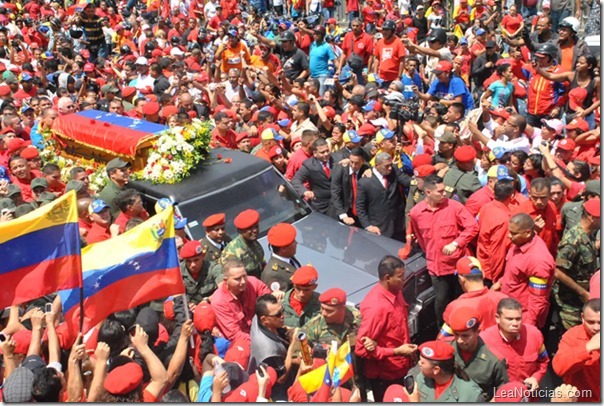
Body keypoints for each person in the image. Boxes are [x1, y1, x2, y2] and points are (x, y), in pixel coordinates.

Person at [409, 174, 478, 328]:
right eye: (440, 191)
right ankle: (444, 332)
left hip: (458, 266)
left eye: (444, 190)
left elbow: (472, 226)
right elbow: (421, 239)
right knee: (441, 303)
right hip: (437, 268)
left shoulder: (454, 207)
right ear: (428, 192)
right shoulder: (416, 213)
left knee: (461, 300)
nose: (444, 194)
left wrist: (456, 243)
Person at [355, 256, 417, 402]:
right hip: (385, 376)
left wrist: (408, 354)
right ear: (387, 278)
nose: (404, 279)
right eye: (400, 277)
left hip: (400, 368)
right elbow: (361, 349)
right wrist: (396, 351)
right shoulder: (376, 308)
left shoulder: (396, 291)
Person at [493, 213, 555, 328]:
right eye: (509, 231)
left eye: (513, 233)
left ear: (527, 233)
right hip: (507, 307)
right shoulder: (519, 243)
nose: (509, 236)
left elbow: (538, 298)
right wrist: (500, 283)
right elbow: (513, 271)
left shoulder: (538, 260)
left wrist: (528, 325)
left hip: (521, 317)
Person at [480, 298, 549, 389]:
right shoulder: (484, 340)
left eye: (518, 319)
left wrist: (535, 378)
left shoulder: (534, 335)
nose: (515, 323)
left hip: (528, 395)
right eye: (509, 319)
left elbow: (543, 361)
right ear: (497, 318)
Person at [554, 198, 600, 331]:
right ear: (591, 218)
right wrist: (583, 293)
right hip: (569, 302)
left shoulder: (588, 235)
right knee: (572, 335)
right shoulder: (573, 240)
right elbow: (558, 271)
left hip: (580, 299)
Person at [447, 307, 509, 400]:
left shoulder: (494, 360)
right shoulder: (447, 350)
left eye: (465, 336)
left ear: (478, 332)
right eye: (456, 334)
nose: (459, 340)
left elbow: (504, 390)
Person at [438, 257, 508, 339]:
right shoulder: (503, 298)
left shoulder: (455, 307)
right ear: (483, 274)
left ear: (461, 279)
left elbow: (442, 338)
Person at [210, 259, 272, 344]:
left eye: (244, 276)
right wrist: (262, 342)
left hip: (260, 332)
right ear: (225, 281)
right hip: (239, 343)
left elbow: (270, 302)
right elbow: (235, 335)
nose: (243, 282)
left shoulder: (253, 283)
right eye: (237, 279)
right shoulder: (219, 302)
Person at [248, 294, 297, 401]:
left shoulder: (258, 318)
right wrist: (293, 344)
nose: (283, 316)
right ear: (264, 319)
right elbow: (281, 378)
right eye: (278, 315)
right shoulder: (269, 349)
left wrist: (284, 330)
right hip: (274, 392)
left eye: (282, 310)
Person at [552, 299, 600, 402]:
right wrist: (588, 347)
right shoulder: (572, 336)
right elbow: (559, 368)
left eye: (601, 322)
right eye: (591, 322)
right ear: (583, 318)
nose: (596, 328)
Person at [356, 152, 407, 241]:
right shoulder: (365, 182)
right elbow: (360, 207)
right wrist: (368, 226)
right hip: (379, 228)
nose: (390, 168)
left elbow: (407, 181)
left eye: (391, 165)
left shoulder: (394, 171)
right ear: (377, 165)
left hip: (398, 226)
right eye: (386, 166)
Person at [415, 340, 484, 402]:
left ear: (436, 370)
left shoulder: (470, 394)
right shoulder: (421, 379)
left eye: (422, 362)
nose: (419, 363)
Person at [476, 179, 516, 283]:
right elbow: (497, 251)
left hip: (482, 262)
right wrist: (496, 279)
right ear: (511, 196)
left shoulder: (485, 207)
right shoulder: (504, 220)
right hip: (491, 271)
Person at [301, 287, 361, 352]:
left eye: (329, 311)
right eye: (322, 308)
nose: (323, 313)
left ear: (342, 308)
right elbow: (296, 352)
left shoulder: (357, 318)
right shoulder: (314, 325)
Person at [512, 177, 559, 255]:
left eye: (543, 198)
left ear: (549, 195)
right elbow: (513, 243)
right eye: (535, 197)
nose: (539, 202)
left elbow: (553, 235)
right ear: (529, 194)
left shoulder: (552, 207)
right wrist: (533, 232)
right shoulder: (520, 213)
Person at [220, 209, 266, 280]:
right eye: (250, 228)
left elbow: (262, 264)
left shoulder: (255, 243)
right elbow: (232, 279)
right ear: (240, 231)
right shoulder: (231, 252)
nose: (255, 230)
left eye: (256, 226)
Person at [329, 146, 369, 226]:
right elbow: (335, 193)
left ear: (363, 161)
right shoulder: (340, 169)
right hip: (341, 210)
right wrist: (343, 215)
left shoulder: (366, 169)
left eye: (357, 163)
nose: (353, 165)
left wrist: (369, 169)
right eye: (351, 162)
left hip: (358, 213)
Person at [291, 138, 333, 214]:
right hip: (322, 206)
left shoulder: (336, 159)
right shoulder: (309, 165)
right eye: (322, 152)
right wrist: (305, 191)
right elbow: (296, 180)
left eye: (327, 151)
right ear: (315, 153)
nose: (326, 154)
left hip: (339, 202)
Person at [262, 223, 302, 292]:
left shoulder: (289, 257)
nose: (296, 243)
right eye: (293, 242)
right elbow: (281, 301)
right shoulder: (272, 274)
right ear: (283, 248)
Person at [179, 240, 217, 308]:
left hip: (211, 305)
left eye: (196, 260)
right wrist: (188, 304)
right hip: (190, 308)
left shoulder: (213, 268)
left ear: (203, 256)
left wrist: (207, 300)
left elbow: (224, 288)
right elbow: (176, 295)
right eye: (188, 261)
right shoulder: (179, 271)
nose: (192, 265)